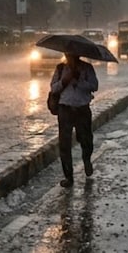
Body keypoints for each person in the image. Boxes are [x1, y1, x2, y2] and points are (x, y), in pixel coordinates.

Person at [50, 53, 99, 188]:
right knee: (64, 145)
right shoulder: (60, 68)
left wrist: (79, 80)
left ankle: (87, 159)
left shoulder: (87, 68)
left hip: (82, 109)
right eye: (68, 54)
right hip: (65, 110)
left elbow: (94, 86)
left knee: (86, 139)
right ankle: (68, 177)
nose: (70, 57)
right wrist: (64, 81)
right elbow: (53, 88)